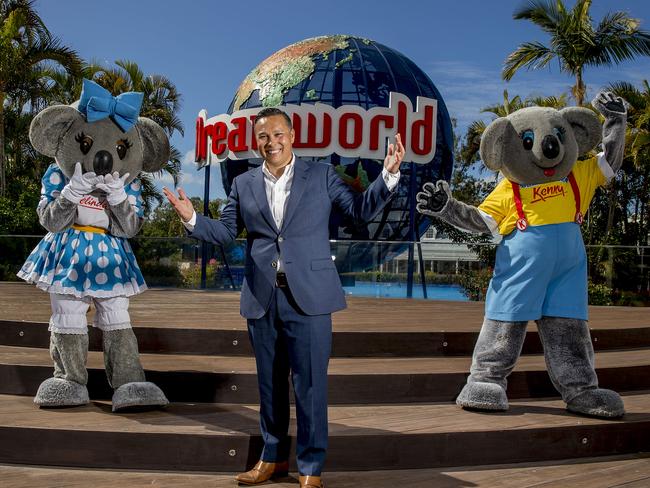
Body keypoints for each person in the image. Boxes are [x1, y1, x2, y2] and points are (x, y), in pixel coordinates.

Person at [164, 107, 404, 488]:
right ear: (254, 141)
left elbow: (359, 210)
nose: (271, 142)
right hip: (262, 297)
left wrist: (388, 176)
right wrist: (193, 218)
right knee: (269, 385)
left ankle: (310, 467)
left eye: (278, 134)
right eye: (263, 136)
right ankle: (272, 457)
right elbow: (227, 233)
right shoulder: (243, 184)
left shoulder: (322, 174)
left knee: (310, 384)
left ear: (292, 137)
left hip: (309, 297)